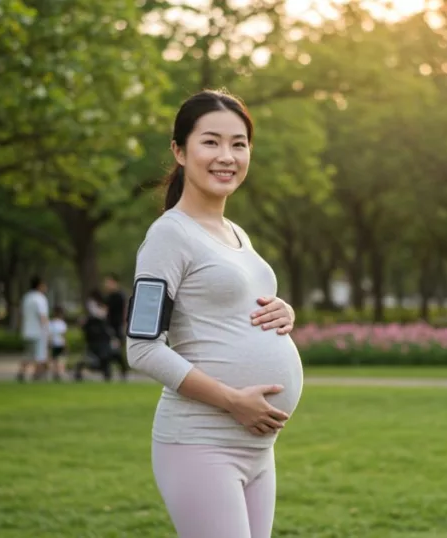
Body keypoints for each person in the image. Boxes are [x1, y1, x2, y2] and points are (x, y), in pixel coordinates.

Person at [126, 89, 302, 538]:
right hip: (200, 442)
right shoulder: (168, 236)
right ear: (179, 151)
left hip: (257, 448)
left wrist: (284, 313)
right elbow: (142, 348)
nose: (227, 156)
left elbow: (227, 306)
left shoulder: (235, 233)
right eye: (211, 142)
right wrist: (233, 401)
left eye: (239, 144)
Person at [75, 290, 124, 382]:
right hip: (94, 345)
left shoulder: (104, 321)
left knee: (110, 356)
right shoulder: (89, 321)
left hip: (104, 346)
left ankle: (115, 374)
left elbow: (110, 332)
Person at [18, 275, 49, 383]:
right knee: (40, 355)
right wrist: (47, 330)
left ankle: (21, 373)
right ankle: (37, 375)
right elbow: (42, 316)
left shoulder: (27, 297)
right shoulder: (40, 298)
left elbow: (22, 314)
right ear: (39, 285)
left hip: (27, 330)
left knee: (28, 354)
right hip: (38, 331)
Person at [101, 272, 131, 379]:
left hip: (117, 327)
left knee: (116, 351)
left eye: (108, 282)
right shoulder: (108, 297)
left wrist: (124, 326)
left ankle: (123, 370)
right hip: (108, 327)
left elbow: (124, 312)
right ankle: (107, 372)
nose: (106, 285)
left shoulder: (120, 296)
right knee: (107, 350)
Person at [46, 306, 68, 382]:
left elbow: (50, 335)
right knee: (60, 359)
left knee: (54, 359)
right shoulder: (62, 323)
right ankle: (59, 373)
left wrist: (49, 343)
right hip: (60, 343)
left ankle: (56, 373)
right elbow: (63, 335)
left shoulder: (51, 323)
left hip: (55, 343)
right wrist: (66, 345)